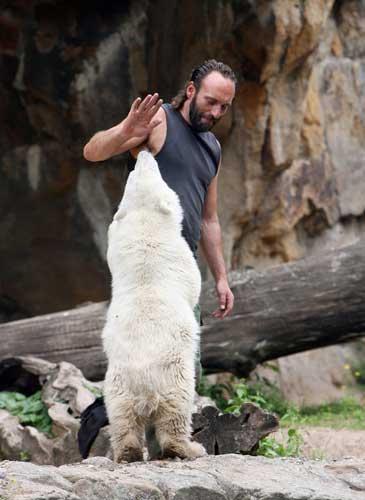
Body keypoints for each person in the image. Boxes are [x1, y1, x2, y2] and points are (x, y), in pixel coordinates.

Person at [84, 59, 236, 322]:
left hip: (182, 270)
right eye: (211, 101)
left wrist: (221, 278)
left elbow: (208, 219)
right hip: (145, 265)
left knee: (186, 359)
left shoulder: (213, 148)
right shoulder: (160, 120)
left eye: (224, 106)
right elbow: (92, 152)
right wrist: (124, 132)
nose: (216, 112)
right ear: (191, 90)